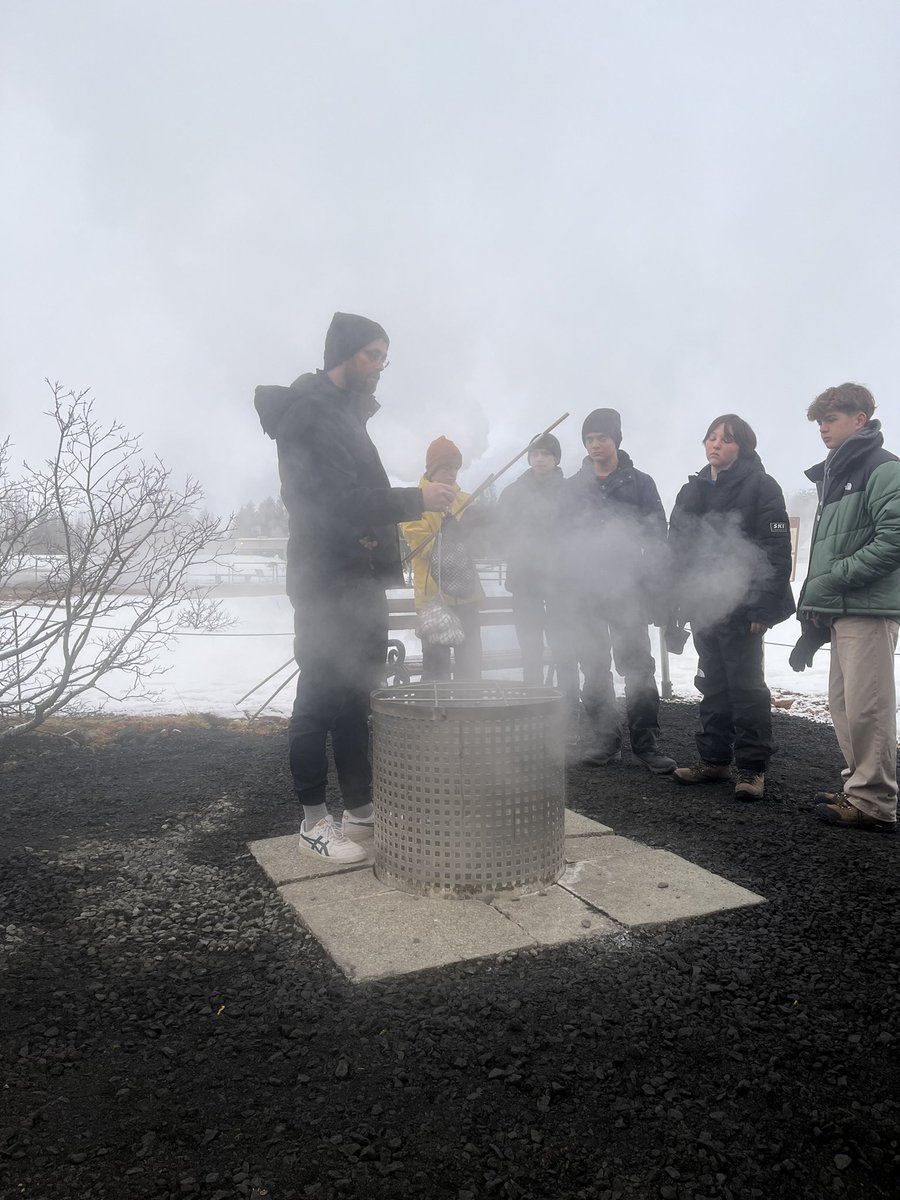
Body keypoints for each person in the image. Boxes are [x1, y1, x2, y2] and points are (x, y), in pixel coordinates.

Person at [254, 313, 455, 862]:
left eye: (385, 357)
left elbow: (360, 494)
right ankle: (312, 820)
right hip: (325, 580)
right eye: (373, 355)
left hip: (360, 576)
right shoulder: (310, 415)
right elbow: (331, 502)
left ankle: (361, 810)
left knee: (356, 694)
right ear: (343, 354)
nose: (381, 367)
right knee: (320, 695)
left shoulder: (345, 414)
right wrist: (417, 499)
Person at [790, 383, 900, 833]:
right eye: (819, 422)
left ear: (860, 419)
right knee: (844, 704)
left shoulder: (882, 467)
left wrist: (836, 578)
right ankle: (859, 785)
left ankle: (875, 801)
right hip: (843, 609)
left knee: (867, 706)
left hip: (868, 610)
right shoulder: (837, 475)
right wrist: (817, 616)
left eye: (830, 419)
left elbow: (894, 537)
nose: (822, 429)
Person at [668, 415, 795, 800]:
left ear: (743, 446)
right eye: (710, 437)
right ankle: (714, 760)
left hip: (741, 608)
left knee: (746, 688)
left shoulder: (761, 486)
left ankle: (752, 770)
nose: (715, 444)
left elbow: (775, 552)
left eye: (726, 439)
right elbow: (676, 549)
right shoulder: (691, 492)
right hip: (704, 605)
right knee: (711, 685)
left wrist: (761, 608)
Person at [562, 408, 675, 774]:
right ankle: (605, 740)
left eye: (602, 438)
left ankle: (646, 742)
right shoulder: (573, 486)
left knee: (637, 666)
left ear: (616, 440)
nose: (595, 445)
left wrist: (648, 579)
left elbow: (657, 535)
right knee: (593, 666)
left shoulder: (641, 483)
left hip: (628, 589)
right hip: (586, 590)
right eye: (589, 439)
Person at [400, 437, 484, 682]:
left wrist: (483, 528)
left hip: (468, 595)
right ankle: (436, 719)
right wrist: (451, 535)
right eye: (445, 468)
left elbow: (479, 546)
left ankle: (469, 716)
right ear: (432, 470)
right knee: (436, 668)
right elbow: (421, 546)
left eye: (455, 468)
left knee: (470, 665)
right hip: (433, 599)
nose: (451, 474)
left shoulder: (466, 500)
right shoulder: (414, 503)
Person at [497, 433, 570, 686]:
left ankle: (568, 705)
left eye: (546, 454)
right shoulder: (512, 492)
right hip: (524, 580)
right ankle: (534, 700)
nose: (540, 459)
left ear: (556, 459)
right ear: (528, 458)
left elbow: (578, 531)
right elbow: (500, 533)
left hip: (560, 581)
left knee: (564, 646)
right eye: (535, 454)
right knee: (530, 646)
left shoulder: (569, 491)